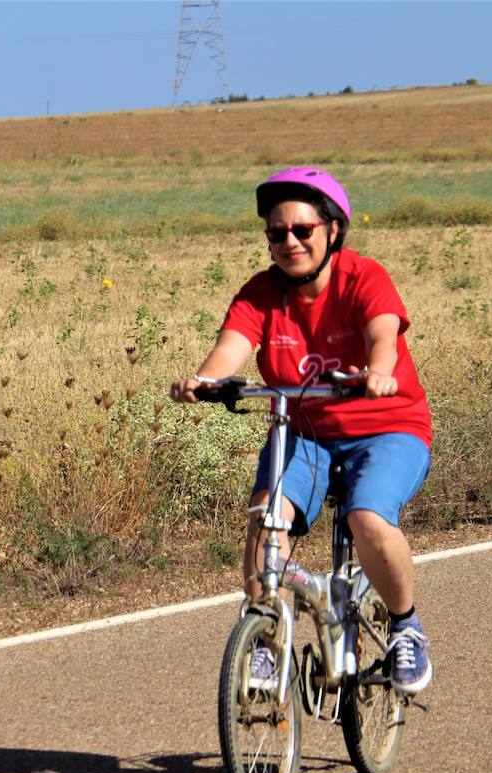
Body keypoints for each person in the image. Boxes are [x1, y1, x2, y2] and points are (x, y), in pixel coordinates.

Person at [169, 167, 432, 694]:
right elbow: (231, 348)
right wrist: (204, 380)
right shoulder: (262, 293)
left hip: (387, 427)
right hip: (305, 431)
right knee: (266, 521)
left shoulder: (364, 277)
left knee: (367, 519)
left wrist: (379, 371)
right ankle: (265, 638)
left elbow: (382, 332)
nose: (288, 242)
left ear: (332, 230)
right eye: (276, 233)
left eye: (302, 230)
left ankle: (406, 626)